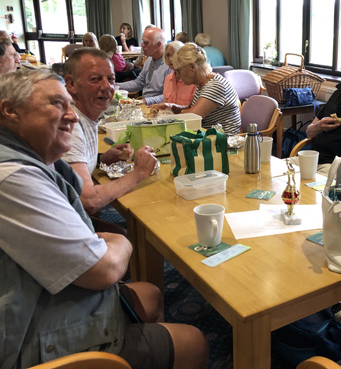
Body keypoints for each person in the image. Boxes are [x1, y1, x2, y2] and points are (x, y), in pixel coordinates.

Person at [0, 69, 209, 369]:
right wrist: (118, 240)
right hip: (33, 334)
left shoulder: (25, 158)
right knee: (194, 342)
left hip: (41, 297)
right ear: (9, 110)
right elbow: (106, 268)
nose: (71, 116)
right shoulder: (13, 178)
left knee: (150, 293)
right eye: (57, 104)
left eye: (69, 105)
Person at [62, 48, 157, 215]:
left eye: (111, 79)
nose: (107, 87)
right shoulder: (70, 124)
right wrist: (139, 173)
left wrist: (101, 159)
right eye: (95, 79)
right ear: (71, 84)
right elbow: (88, 201)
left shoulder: (83, 114)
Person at [153, 43, 241, 135]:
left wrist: (164, 118)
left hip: (222, 142)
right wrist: (171, 107)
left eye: (179, 70)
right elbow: (189, 108)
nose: (178, 75)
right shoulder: (203, 84)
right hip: (209, 136)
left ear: (192, 67)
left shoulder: (215, 85)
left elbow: (191, 117)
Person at [117, 27, 171, 105]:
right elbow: (138, 83)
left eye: (146, 43)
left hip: (159, 107)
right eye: (142, 41)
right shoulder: (149, 60)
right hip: (145, 103)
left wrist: (144, 101)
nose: (142, 45)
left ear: (158, 45)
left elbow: (168, 96)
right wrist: (115, 86)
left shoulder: (170, 65)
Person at [162, 40, 196, 106]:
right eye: (168, 55)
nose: (170, 59)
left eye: (174, 55)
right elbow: (165, 103)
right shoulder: (168, 79)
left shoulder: (193, 80)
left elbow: (194, 109)